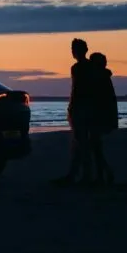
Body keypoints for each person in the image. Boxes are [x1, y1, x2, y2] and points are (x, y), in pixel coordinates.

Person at [52, 38, 97, 186]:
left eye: (73, 49)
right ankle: (78, 174)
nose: (72, 52)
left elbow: (77, 90)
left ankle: (84, 175)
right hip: (89, 108)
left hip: (80, 108)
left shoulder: (77, 68)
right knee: (81, 143)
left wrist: (72, 107)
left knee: (81, 143)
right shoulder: (91, 67)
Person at [88, 52, 118, 185]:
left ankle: (103, 174)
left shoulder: (100, 78)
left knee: (95, 146)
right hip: (102, 115)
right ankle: (104, 173)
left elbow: (103, 99)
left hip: (98, 116)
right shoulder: (104, 77)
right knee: (96, 146)